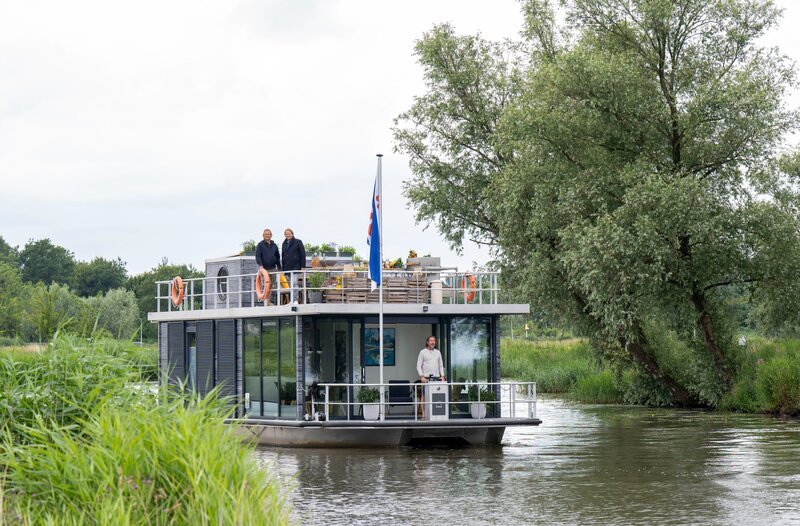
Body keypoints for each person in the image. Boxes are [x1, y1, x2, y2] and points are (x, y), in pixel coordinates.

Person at [416, 335, 446, 419]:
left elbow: (441, 366)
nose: (433, 342)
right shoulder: (422, 352)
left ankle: (435, 415)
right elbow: (418, 366)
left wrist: (442, 376)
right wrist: (421, 376)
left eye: (434, 341)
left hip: (436, 378)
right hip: (425, 378)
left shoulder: (438, 352)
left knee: (435, 396)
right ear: (427, 342)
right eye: (431, 341)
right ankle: (424, 414)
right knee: (424, 396)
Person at [255, 229, 280, 304]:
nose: (267, 236)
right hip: (264, 269)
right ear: (263, 236)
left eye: (268, 234)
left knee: (271, 285)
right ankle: (264, 301)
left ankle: (268, 301)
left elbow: (277, 257)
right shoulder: (260, 245)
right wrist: (260, 265)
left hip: (272, 268)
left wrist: (279, 267)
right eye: (266, 234)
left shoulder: (274, 245)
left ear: (271, 235)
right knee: (265, 285)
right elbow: (258, 256)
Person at [281, 228, 306, 303]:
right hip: (287, 267)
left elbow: (302, 254)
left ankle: (294, 300)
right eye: (286, 234)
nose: (287, 235)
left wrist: (303, 266)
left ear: (292, 234)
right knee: (291, 284)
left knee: (294, 283)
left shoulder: (298, 242)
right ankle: (292, 300)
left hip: (295, 267)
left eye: (289, 233)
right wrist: (283, 269)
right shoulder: (284, 243)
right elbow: (283, 256)